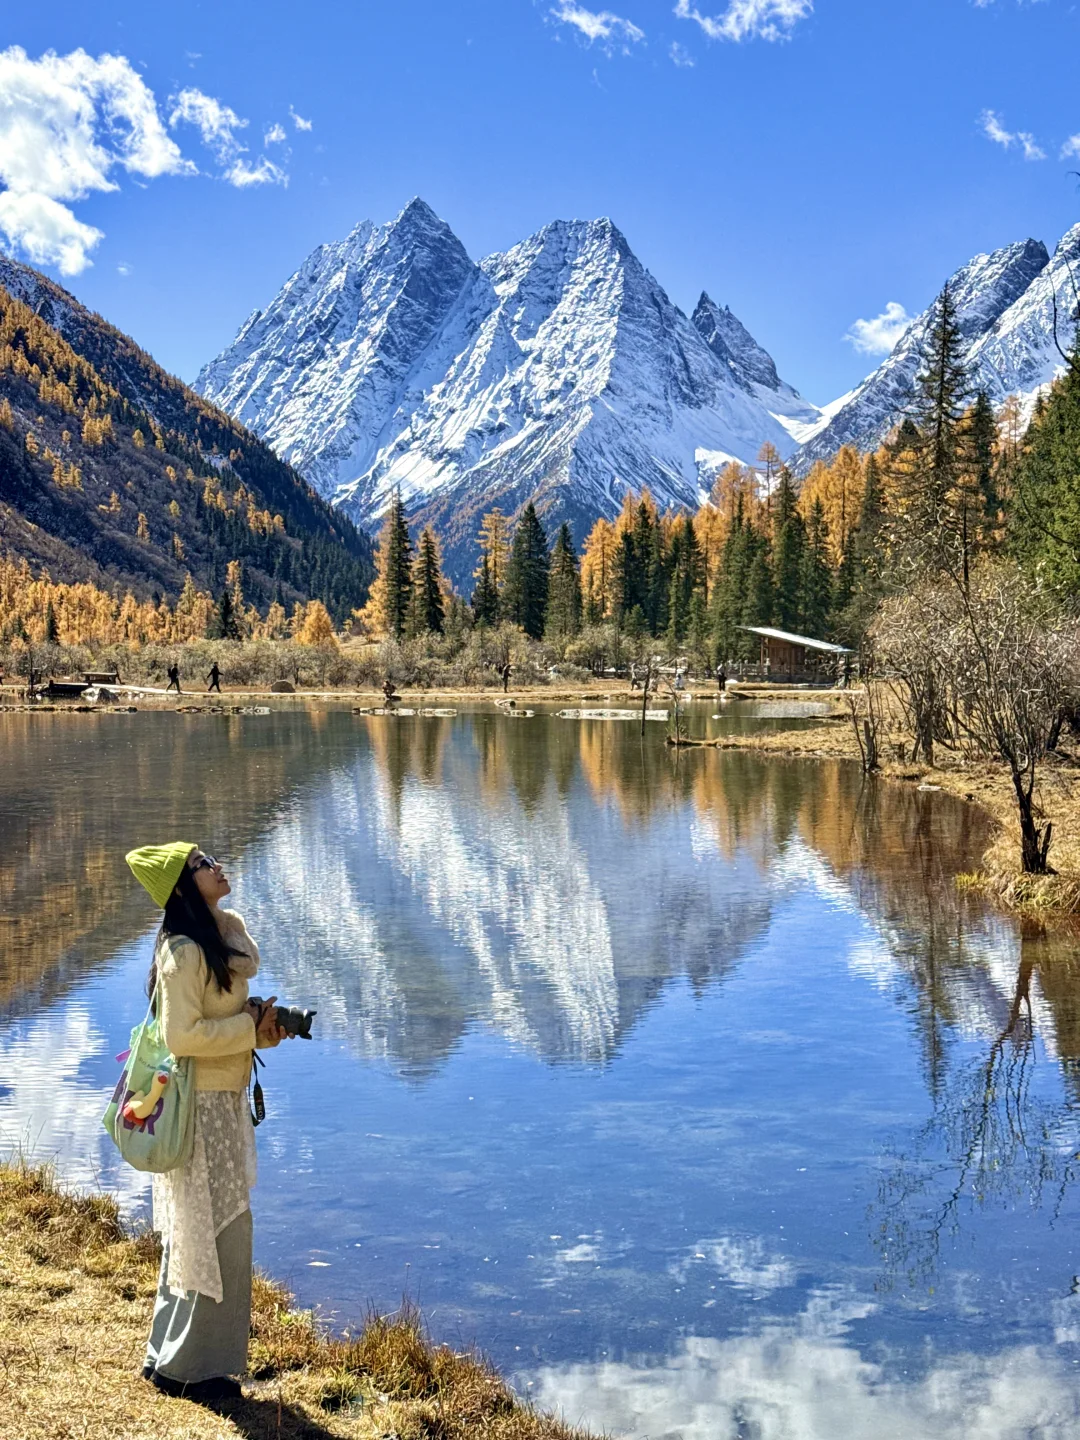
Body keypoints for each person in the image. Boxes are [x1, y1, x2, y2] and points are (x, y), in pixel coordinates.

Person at [124, 841, 290, 1403]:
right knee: (214, 1233)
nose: (216, 865)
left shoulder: (213, 943)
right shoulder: (183, 952)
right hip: (201, 1110)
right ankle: (194, 1371)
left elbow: (216, 1027)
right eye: (200, 865)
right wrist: (245, 1028)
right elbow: (182, 1038)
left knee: (205, 1231)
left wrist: (261, 1027)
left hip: (223, 1101)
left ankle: (174, 1361)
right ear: (180, 887)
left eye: (209, 858)